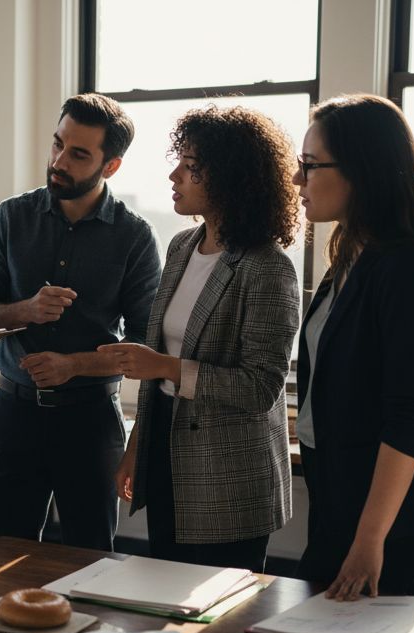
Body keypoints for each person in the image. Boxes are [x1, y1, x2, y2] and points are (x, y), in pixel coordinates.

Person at [99, 105, 301, 573]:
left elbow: (260, 388)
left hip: (228, 479)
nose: (174, 175)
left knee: (220, 625)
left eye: (190, 166)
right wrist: (136, 449)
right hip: (166, 461)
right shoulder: (181, 247)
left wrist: (165, 368)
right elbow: (164, 362)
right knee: (165, 609)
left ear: (229, 178)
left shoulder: (267, 267)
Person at [290, 94, 414, 600]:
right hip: (338, 491)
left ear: (362, 170)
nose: (298, 182)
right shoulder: (352, 254)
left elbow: (410, 415)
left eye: (309, 166)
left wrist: (370, 540)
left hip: (388, 518)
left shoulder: (411, 267)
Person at [0, 93, 160, 552]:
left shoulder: (134, 237)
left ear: (110, 166)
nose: (58, 160)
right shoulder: (11, 217)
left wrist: (73, 365)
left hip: (91, 423)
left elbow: (145, 346)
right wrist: (24, 311)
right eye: (57, 144)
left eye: (78, 154)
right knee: (3, 554)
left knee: (90, 560)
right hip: (14, 416)